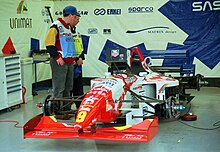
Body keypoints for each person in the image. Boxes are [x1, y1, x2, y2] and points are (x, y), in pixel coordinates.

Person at [45, 6, 79, 116]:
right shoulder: (56, 26)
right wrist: (56, 57)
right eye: (75, 16)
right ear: (70, 15)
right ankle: (57, 110)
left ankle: (66, 109)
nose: (75, 19)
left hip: (69, 61)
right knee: (59, 87)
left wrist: (73, 58)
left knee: (68, 87)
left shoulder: (68, 28)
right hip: (59, 61)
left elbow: (69, 45)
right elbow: (49, 44)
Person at [70, 14, 85, 109]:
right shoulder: (66, 32)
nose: (78, 21)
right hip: (70, 62)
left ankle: (80, 107)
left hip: (78, 63)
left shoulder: (77, 32)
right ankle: (64, 108)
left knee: (79, 87)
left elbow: (81, 47)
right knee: (69, 87)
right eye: (77, 19)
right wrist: (74, 59)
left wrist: (81, 58)